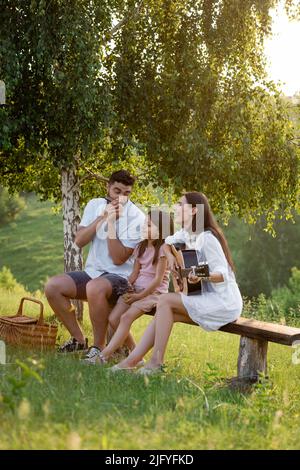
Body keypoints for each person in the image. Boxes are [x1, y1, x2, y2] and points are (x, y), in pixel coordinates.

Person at [112, 192, 243, 374]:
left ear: (194, 210)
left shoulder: (207, 238)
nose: (176, 208)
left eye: (181, 205)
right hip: (205, 298)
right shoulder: (187, 233)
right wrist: (170, 256)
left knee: (165, 300)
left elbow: (222, 275)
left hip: (223, 302)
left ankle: (155, 363)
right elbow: (167, 242)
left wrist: (199, 274)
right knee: (166, 312)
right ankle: (132, 361)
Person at [45, 170, 145, 354]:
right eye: (117, 191)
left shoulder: (138, 217)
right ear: (107, 187)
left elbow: (118, 258)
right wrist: (102, 218)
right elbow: (79, 240)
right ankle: (79, 340)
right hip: (93, 273)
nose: (121, 198)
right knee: (53, 287)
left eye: (127, 193)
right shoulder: (95, 205)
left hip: (120, 278)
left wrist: (112, 223)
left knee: (95, 287)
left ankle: (98, 347)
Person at [84, 210, 174, 364]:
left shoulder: (163, 250)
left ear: (162, 230)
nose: (144, 228)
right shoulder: (141, 247)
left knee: (125, 317)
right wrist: (128, 286)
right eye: (145, 224)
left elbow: (157, 281)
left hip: (154, 294)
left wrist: (139, 296)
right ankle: (135, 354)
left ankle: (103, 357)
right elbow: (134, 274)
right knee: (113, 318)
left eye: (149, 225)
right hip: (137, 290)